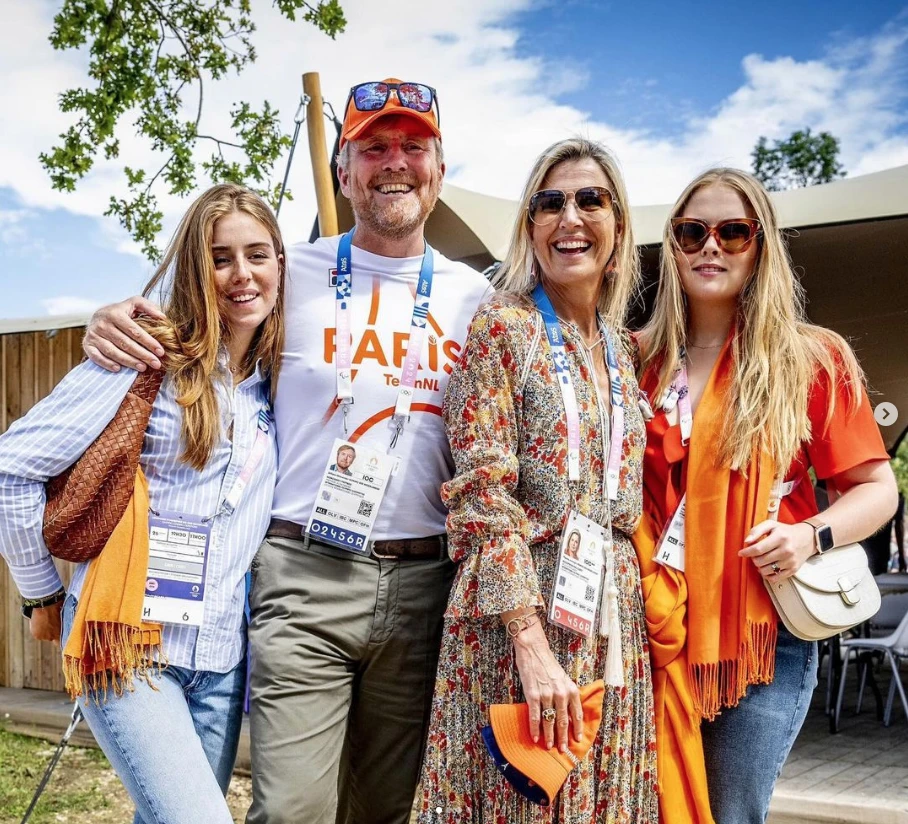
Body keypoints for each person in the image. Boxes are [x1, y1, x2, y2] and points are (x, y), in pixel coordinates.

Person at [80, 79, 492, 824]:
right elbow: (195, 312)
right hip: (303, 578)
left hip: (426, 582)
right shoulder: (286, 272)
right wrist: (108, 318)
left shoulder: (478, 298)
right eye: (373, 147)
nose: (393, 162)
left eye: (412, 146)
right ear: (344, 170)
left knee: (387, 810)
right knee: (294, 809)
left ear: (438, 167)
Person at [0, 183, 283, 824]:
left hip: (220, 659)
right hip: (129, 647)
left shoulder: (278, 380)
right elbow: (10, 468)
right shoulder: (142, 357)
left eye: (257, 255)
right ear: (194, 269)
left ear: (280, 266)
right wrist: (40, 593)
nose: (241, 274)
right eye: (220, 258)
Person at [633, 167, 899, 824]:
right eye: (691, 232)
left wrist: (810, 535)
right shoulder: (635, 359)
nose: (710, 247)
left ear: (761, 245)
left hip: (760, 637)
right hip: (644, 633)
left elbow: (876, 489)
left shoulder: (810, 360)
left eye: (733, 231)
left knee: (728, 814)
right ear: (672, 245)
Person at [418, 137, 659, 823]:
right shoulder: (505, 329)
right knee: (516, 805)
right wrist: (530, 646)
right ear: (530, 226)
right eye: (550, 203)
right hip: (518, 615)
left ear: (618, 225)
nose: (570, 217)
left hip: (612, 617)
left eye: (591, 200)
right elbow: (483, 495)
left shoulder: (621, 347)